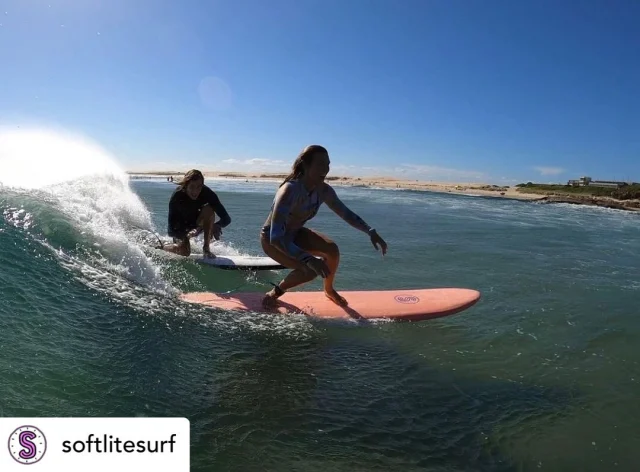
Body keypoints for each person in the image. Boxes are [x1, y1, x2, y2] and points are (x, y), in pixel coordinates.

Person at [260, 145, 387, 308]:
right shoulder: (289, 191)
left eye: (327, 164)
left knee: (332, 249)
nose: (326, 169)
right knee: (309, 270)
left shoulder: (323, 191)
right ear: (306, 165)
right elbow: (276, 237)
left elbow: (346, 214)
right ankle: (275, 293)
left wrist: (370, 231)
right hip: (273, 241)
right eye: (320, 164)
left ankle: (329, 289)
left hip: (295, 233)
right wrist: (309, 259)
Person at [159, 169, 232, 258]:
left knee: (209, 209)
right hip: (180, 228)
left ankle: (206, 249)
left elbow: (226, 218)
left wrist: (217, 226)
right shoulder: (177, 196)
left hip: (197, 225)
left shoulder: (207, 193)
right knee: (185, 252)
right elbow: (172, 229)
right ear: (186, 185)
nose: (195, 191)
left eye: (199, 187)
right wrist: (186, 235)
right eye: (192, 187)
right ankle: (162, 246)